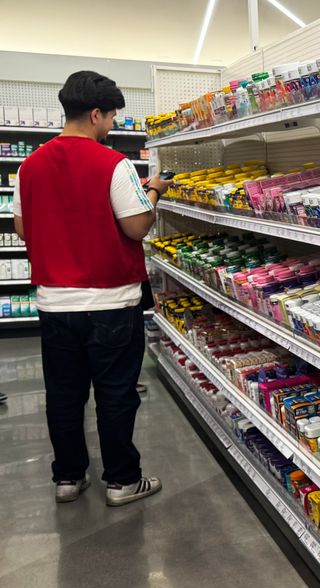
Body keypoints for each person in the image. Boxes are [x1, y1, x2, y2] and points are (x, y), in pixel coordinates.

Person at [14, 71, 172, 506]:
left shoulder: (30, 166)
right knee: (115, 394)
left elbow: (24, 228)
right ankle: (122, 481)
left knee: (63, 395)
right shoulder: (113, 164)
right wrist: (153, 193)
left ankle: (68, 477)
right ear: (96, 113)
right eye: (112, 116)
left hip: (54, 303)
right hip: (110, 301)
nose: (113, 124)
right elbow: (137, 226)